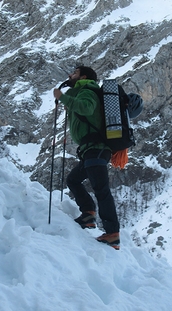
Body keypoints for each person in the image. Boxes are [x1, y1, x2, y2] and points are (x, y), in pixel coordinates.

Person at [53, 66, 120, 250]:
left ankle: (112, 233)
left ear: (82, 76)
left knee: (101, 190)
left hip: (96, 149)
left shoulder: (88, 90)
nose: (69, 75)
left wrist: (63, 97)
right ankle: (88, 214)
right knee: (73, 180)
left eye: (73, 72)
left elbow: (86, 108)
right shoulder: (82, 91)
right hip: (92, 150)